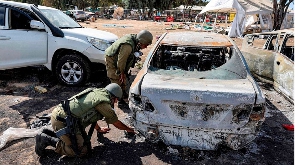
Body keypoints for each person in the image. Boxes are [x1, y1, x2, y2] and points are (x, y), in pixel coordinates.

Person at [35, 83, 135, 157]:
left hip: (61, 115)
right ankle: (46, 139)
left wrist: (98, 129)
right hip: (63, 122)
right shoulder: (104, 102)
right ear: (115, 98)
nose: (116, 102)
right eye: (117, 100)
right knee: (81, 151)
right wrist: (129, 129)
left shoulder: (97, 92)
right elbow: (116, 122)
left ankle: (49, 131)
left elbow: (91, 115)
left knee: (83, 143)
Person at [105, 30, 153, 105]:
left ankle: (123, 94)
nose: (146, 47)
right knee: (116, 79)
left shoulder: (136, 40)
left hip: (119, 59)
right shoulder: (128, 46)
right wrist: (121, 72)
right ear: (141, 41)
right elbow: (121, 61)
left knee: (123, 80)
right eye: (146, 45)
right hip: (112, 59)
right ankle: (118, 100)